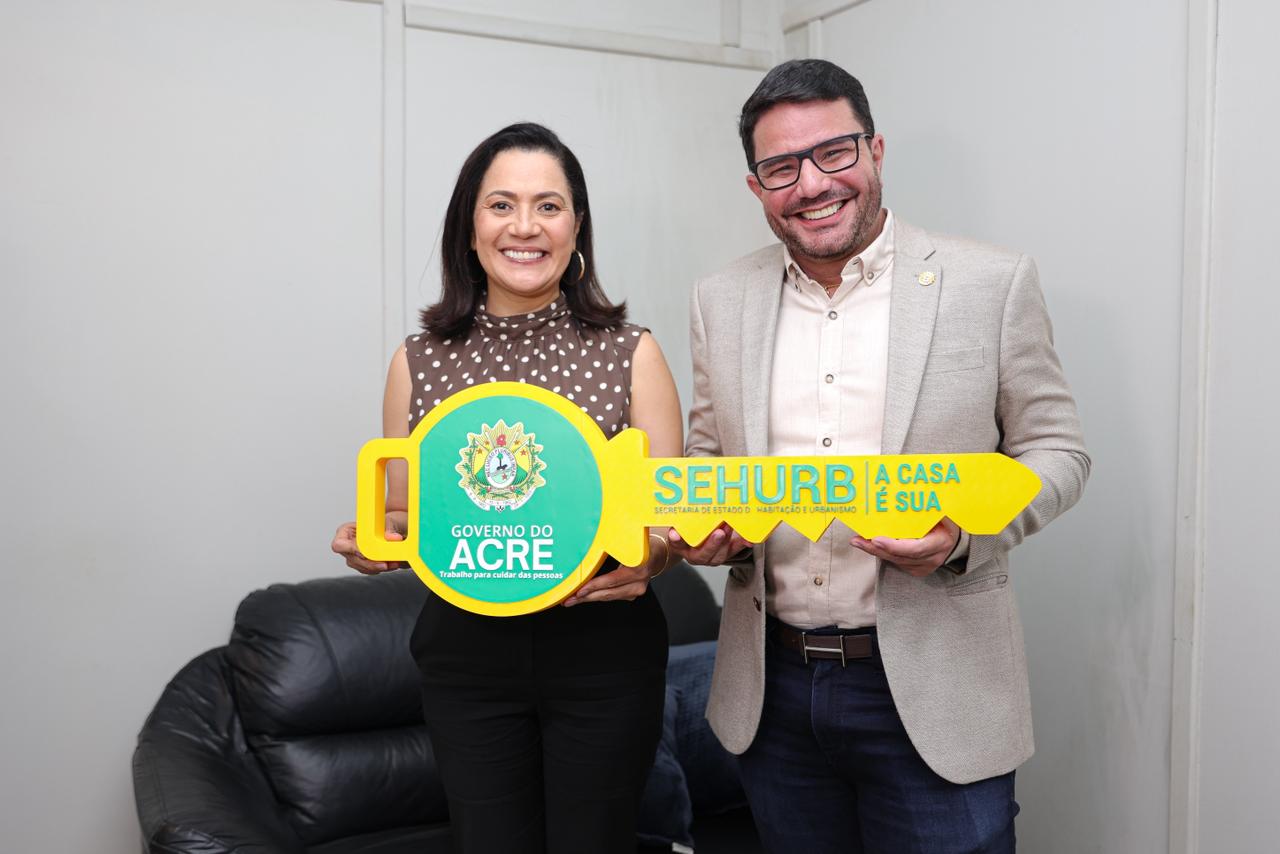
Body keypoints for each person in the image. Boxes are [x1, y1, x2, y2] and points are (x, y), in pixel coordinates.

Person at [667, 60, 1090, 853]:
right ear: (756, 186)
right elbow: (709, 460)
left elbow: (1057, 449)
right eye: (781, 167)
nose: (812, 184)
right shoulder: (718, 299)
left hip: (937, 687)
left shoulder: (991, 282)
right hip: (772, 692)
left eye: (834, 152)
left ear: (876, 150)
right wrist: (707, 532)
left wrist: (963, 535)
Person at [331, 122, 683, 854]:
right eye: (501, 205)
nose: (525, 226)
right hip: (468, 658)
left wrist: (652, 556)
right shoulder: (417, 361)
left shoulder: (632, 353)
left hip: (603, 654)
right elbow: (403, 512)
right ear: (469, 228)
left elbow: (666, 520)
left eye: (548, 206)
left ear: (576, 227)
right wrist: (376, 541)